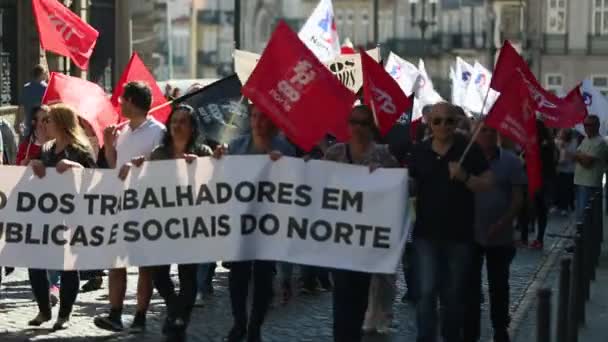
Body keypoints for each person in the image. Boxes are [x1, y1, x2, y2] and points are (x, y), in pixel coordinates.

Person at [121, 104, 213, 341]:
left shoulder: (202, 152)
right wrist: (138, 167)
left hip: (192, 226)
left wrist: (205, 167)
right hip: (164, 224)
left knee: (188, 276)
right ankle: (175, 311)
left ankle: (179, 322)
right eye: (174, 121)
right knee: (160, 274)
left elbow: (215, 184)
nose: (176, 125)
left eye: (183, 121)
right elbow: (149, 183)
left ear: (192, 127)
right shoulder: (161, 152)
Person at [408, 102, 493, 342]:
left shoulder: (469, 149)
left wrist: (465, 177)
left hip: (460, 236)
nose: (443, 125)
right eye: (437, 121)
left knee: (453, 295)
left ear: (456, 123)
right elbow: (408, 184)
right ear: (429, 123)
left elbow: (488, 183)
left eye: (449, 121)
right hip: (426, 234)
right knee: (425, 292)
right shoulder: (419, 151)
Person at [213, 103, 295, 342]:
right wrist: (218, 158)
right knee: (238, 274)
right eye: (254, 116)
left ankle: (255, 325)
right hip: (240, 223)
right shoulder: (237, 147)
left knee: (263, 277)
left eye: (263, 117)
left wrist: (284, 166)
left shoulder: (285, 149)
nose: (258, 122)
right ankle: (239, 323)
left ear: (273, 122)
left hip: (269, 225)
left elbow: (295, 184)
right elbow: (222, 178)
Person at [94, 81, 166, 332]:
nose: (119, 103)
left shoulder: (158, 131)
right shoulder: (121, 131)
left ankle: (140, 316)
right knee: (116, 261)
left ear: (133, 102)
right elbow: (115, 167)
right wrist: (109, 144)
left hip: (146, 206)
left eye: (123, 99)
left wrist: (142, 166)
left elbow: (163, 169)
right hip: (120, 204)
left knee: (145, 265)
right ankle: (115, 313)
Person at [324, 105, 400, 341]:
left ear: (372, 128)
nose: (358, 127)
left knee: (358, 296)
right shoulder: (335, 153)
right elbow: (315, 183)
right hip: (340, 237)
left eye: (364, 123)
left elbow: (402, 185)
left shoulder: (383, 155)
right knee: (342, 293)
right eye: (353, 122)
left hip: (367, 239)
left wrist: (384, 175)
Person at [27, 103, 96, 330]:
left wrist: (74, 165)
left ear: (62, 123)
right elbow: (38, 177)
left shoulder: (80, 150)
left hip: (72, 216)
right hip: (45, 216)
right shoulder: (46, 149)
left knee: (68, 266)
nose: (44, 124)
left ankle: (64, 315)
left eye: (49, 120)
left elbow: (94, 180)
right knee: (35, 264)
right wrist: (34, 164)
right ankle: (44, 310)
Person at [463, 124, 525, 342]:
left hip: (500, 235)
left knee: (499, 285)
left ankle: (500, 328)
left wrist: (503, 223)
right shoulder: (466, 161)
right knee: (470, 287)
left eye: (491, 130)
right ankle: (470, 332)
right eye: (482, 130)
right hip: (470, 234)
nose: (488, 134)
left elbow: (518, 198)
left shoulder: (511, 161)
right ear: (474, 134)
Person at [573, 115, 608, 224]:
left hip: (590, 183)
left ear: (597, 126)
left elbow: (587, 163)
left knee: (586, 216)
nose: (586, 127)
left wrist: (579, 155)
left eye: (589, 125)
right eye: (585, 125)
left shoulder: (600, 142)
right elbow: (577, 155)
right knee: (580, 214)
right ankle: (582, 238)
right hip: (580, 181)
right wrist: (580, 156)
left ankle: (585, 240)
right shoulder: (585, 139)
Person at [527, 120, 556, 250]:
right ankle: (537, 236)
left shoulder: (544, 145)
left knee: (540, 209)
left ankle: (539, 238)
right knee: (537, 209)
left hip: (542, 180)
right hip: (539, 179)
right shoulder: (539, 144)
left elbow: (545, 164)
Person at [19, 65, 49, 138]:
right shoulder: (46, 88)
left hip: (28, 125)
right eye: (45, 73)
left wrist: (20, 122)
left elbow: (22, 107)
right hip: (42, 125)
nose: (46, 75)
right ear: (41, 74)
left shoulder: (26, 87)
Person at [555, 129, 577, 215]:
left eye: (562, 134)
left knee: (567, 189)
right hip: (560, 170)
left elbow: (573, 156)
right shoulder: (558, 142)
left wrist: (564, 149)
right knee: (560, 188)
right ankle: (560, 205)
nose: (560, 135)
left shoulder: (573, 142)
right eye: (560, 134)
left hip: (569, 170)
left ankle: (566, 206)